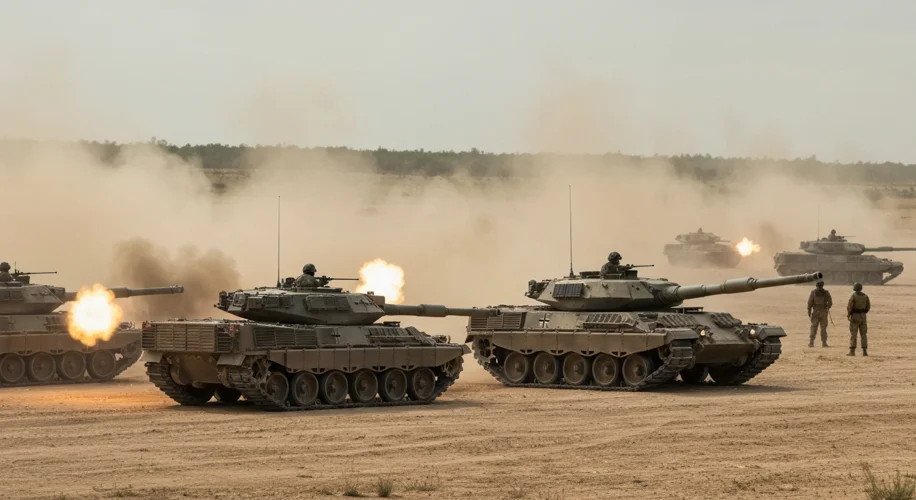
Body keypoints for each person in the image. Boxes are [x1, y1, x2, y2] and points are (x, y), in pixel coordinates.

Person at [847, 282, 870, 356]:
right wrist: (863, 313)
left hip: (855, 316)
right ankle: (864, 351)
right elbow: (868, 306)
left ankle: (852, 351)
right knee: (863, 334)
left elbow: (850, 306)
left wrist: (849, 314)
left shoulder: (854, 296)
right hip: (863, 317)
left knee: (853, 334)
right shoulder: (865, 296)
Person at [807, 280, 832, 347]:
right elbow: (830, 303)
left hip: (815, 312)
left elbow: (809, 303)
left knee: (813, 327)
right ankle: (824, 343)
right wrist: (826, 308)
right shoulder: (826, 292)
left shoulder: (813, 292)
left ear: (816, 285)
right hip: (823, 312)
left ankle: (811, 342)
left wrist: (809, 312)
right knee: (823, 328)